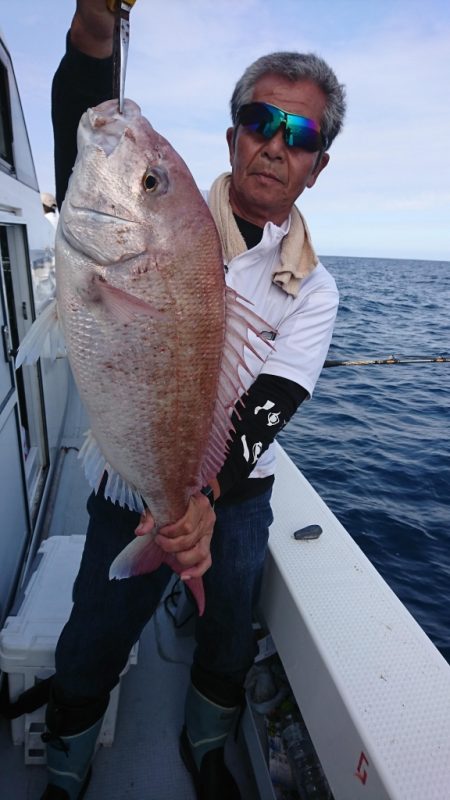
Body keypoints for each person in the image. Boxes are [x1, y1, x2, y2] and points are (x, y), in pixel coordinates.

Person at [41, 2, 346, 798]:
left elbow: (273, 400)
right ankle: (67, 764)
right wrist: (94, 33)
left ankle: (207, 741)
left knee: (228, 626)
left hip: (235, 488)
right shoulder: (164, 206)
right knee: (95, 631)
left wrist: (203, 500)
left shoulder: (313, 289)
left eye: (302, 135)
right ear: (233, 136)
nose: (277, 144)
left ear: (317, 166)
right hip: (130, 464)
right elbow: (88, 121)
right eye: (260, 120)